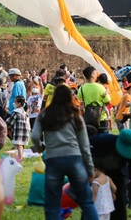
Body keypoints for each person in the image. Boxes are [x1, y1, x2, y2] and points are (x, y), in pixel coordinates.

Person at [30, 84, 99, 220]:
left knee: (52, 205)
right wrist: (90, 170)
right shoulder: (75, 116)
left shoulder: (44, 115)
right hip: (75, 159)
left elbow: (34, 136)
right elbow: (85, 146)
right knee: (86, 202)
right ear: (70, 98)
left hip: (53, 159)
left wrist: (40, 147)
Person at [90, 130, 131, 220]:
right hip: (97, 172)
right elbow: (84, 147)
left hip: (118, 174)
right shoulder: (104, 139)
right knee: (94, 202)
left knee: (119, 203)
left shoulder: (130, 153)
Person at [77, 66, 111, 134]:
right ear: (92, 74)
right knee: (103, 140)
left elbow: (79, 100)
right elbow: (108, 102)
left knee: (91, 140)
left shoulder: (81, 88)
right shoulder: (100, 87)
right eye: (95, 73)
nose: (96, 75)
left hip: (88, 118)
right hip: (101, 118)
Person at [6, 95, 30, 162]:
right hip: (25, 131)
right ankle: (20, 157)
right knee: (20, 145)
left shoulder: (16, 112)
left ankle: (20, 159)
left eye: (15, 102)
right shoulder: (24, 112)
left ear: (19, 103)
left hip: (19, 131)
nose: (14, 103)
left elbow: (9, 122)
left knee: (19, 145)